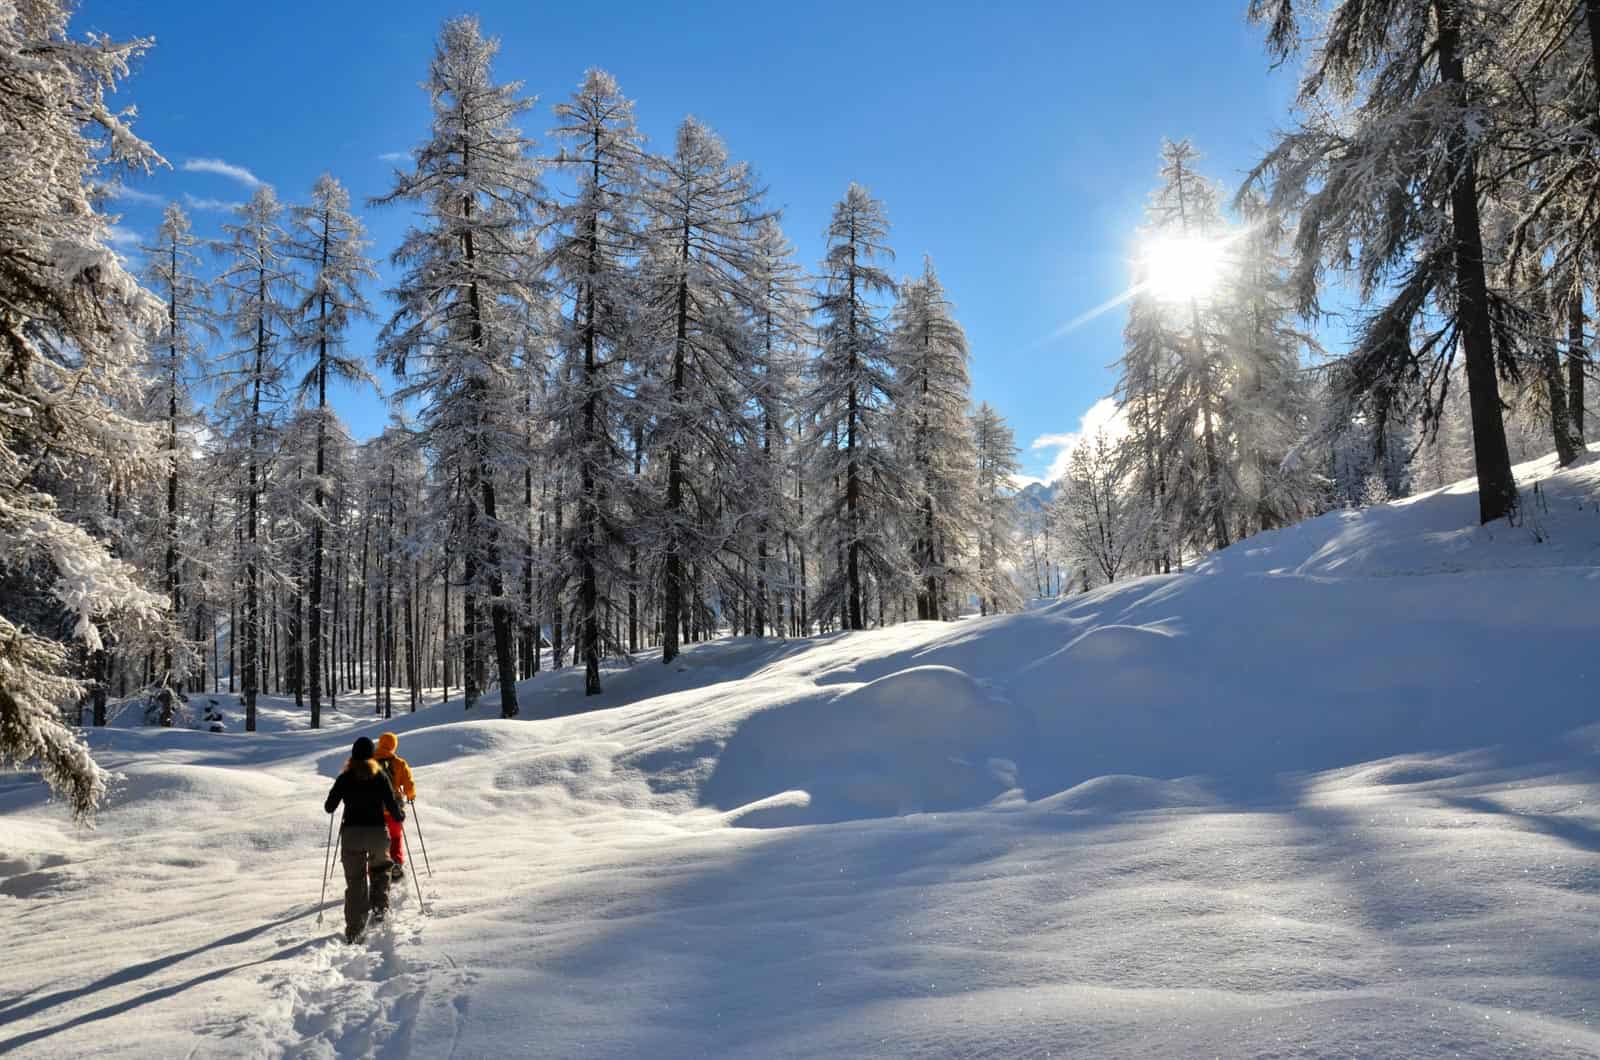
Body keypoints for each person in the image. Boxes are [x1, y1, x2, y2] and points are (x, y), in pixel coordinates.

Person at [324, 736, 405, 943]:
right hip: (377, 833)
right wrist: (399, 816)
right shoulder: (380, 776)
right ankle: (379, 910)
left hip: (351, 835)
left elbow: (329, 807)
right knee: (380, 870)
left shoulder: (345, 777)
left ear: (352, 755)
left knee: (356, 881)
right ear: (371, 755)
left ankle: (355, 929)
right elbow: (392, 806)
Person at [374, 732, 416, 882]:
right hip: (394, 809)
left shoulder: (370, 762)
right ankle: (396, 863)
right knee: (396, 837)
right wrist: (411, 795)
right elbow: (409, 784)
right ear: (393, 745)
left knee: (377, 842)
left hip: (374, 811)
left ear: (380, 743)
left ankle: (377, 869)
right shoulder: (399, 763)